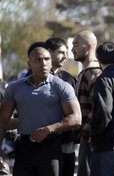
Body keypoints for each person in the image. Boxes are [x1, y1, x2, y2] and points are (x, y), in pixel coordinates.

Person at [0, 47, 82, 176]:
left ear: (51, 61)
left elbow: (76, 118)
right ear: (29, 64)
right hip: (24, 148)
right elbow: (3, 122)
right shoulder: (14, 88)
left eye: (46, 59)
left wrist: (49, 129)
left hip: (50, 147)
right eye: (38, 60)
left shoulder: (61, 86)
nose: (43, 63)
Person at [89, 42, 114, 176]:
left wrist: (94, 132)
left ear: (98, 60)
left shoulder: (103, 80)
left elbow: (104, 112)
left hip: (107, 144)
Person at [44, 37, 77, 176]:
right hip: (43, 143)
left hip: (66, 143)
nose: (66, 56)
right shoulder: (34, 79)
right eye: (61, 52)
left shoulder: (69, 79)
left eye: (66, 52)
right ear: (49, 52)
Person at [71, 30, 102, 176]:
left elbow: (98, 106)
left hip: (91, 138)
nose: (72, 49)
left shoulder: (94, 72)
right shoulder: (85, 72)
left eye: (76, 45)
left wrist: (86, 133)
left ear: (89, 47)